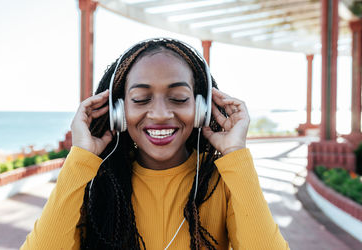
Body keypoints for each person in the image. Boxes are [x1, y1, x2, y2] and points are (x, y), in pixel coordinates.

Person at [21, 38, 289, 250]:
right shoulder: (92, 180)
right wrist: (80, 159)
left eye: (179, 98)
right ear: (118, 111)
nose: (160, 114)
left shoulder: (222, 178)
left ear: (202, 108)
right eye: (140, 99)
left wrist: (235, 154)